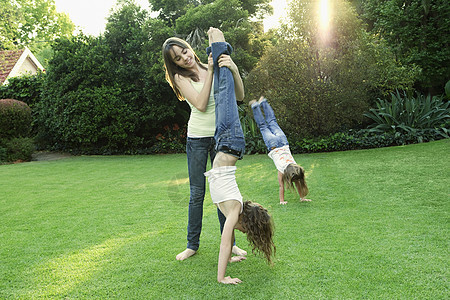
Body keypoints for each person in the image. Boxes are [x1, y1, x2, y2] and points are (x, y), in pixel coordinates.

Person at [162, 36, 246, 261]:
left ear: (189, 48)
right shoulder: (180, 77)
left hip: (220, 138)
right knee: (197, 194)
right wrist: (209, 71)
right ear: (174, 64)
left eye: (185, 52)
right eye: (178, 58)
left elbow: (239, 96)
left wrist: (233, 68)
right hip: (198, 139)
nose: (185, 59)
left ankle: (230, 244)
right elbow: (199, 104)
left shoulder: (213, 64)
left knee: (223, 192)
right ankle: (192, 245)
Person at [204, 27, 275, 285]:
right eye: (248, 231)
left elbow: (228, 240)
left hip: (225, 143)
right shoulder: (234, 209)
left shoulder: (233, 209)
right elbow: (225, 244)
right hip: (230, 141)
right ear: (246, 222)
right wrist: (222, 278)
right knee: (223, 87)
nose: (241, 232)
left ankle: (215, 44)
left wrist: (233, 256)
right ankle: (217, 37)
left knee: (220, 89)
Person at [249, 96, 310, 205]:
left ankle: (263, 103)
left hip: (283, 142)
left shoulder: (295, 166)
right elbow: (283, 186)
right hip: (273, 146)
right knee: (263, 126)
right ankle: (255, 106)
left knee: (272, 121)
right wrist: (282, 201)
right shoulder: (282, 170)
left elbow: (296, 181)